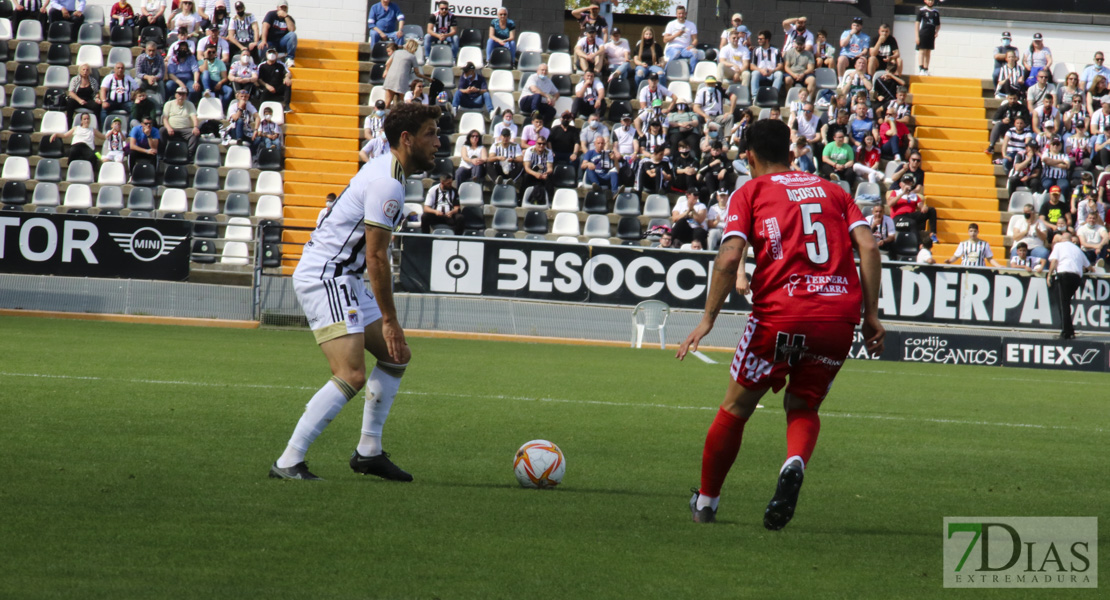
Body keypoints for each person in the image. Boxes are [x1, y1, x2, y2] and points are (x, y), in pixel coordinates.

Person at [678, 117, 884, 528]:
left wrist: (707, 319)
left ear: (749, 157)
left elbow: (730, 257)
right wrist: (871, 314)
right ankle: (793, 462)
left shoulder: (750, 191)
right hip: (837, 317)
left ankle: (707, 502)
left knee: (736, 407)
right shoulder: (833, 190)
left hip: (781, 316)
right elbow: (867, 244)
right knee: (804, 405)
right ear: (792, 154)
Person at [273, 102, 441, 481]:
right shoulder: (388, 183)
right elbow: (376, 255)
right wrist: (390, 320)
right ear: (406, 138)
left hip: (343, 276)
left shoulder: (390, 171)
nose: (437, 141)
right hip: (327, 276)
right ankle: (288, 461)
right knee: (351, 373)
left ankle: (369, 451)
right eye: (430, 133)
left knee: (396, 357)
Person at [1047, 232, 1090, 339]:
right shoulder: (1078, 249)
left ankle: (1066, 332)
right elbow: (1089, 266)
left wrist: (1049, 275)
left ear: (1062, 239)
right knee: (1065, 303)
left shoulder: (1059, 246)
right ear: (1071, 239)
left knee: (1063, 304)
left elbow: (1054, 261)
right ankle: (1070, 331)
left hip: (1064, 275)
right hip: (1076, 278)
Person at [888, 173, 937, 242]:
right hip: (898, 218)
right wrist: (903, 193)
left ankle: (933, 234)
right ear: (900, 184)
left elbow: (921, 205)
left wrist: (924, 207)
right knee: (912, 223)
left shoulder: (914, 196)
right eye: (905, 183)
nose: (907, 184)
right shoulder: (895, 193)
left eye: (909, 183)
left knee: (931, 210)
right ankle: (916, 243)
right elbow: (890, 204)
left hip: (910, 216)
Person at [382, 39, 427, 108]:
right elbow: (417, 72)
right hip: (401, 81)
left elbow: (387, 63)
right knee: (405, 104)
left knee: (386, 104)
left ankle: (383, 118)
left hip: (390, 79)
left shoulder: (397, 52)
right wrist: (427, 78)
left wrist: (386, 71)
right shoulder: (412, 57)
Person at [161, 86, 201, 158]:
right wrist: (169, 128)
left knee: (195, 134)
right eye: (179, 94)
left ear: (186, 96)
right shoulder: (168, 104)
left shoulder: (190, 104)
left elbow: (194, 117)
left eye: (183, 94)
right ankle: (162, 153)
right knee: (162, 131)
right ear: (176, 95)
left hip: (186, 129)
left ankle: (189, 155)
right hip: (171, 129)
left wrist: (195, 127)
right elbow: (165, 119)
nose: (181, 96)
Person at [100, 62, 140, 127]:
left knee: (135, 108)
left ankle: (129, 128)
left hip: (126, 102)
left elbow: (138, 90)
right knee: (104, 108)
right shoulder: (108, 78)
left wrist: (135, 98)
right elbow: (103, 90)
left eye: (122, 68)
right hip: (112, 101)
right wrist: (104, 101)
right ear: (114, 69)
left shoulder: (129, 78)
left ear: (124, 70)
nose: (120, 70)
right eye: (118, 68)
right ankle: (104, 128)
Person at [662, 5, 698, 70]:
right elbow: (665, 40)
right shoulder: (671, 24)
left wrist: (692, 46)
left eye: (682, 13)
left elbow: (695, 39)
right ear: (676, 14)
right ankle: (666, 71)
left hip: (684, 49)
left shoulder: (691, 25)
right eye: (679, 14)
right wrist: (676, 35)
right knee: (676, 53)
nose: (681, 15)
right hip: (672, 48)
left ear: (685, 14)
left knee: (694, 53)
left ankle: (691, 74)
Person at [749, 30, 783, 99]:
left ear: (767, 40)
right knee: (755, 73)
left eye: (761, 39)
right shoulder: (756, 50)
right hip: (760, 73)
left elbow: (780, 66)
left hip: (772, 73)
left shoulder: (776, 50)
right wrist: (761, 70)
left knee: (779, 74)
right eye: (758, 39)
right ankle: (755, 97)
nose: (758, 41)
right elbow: (752, 66)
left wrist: (772, 71)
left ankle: (773, 96)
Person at [520, 136, 554, 204]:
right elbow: (527, 168)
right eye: (539, 143)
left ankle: (550, 200)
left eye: (543, 144)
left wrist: (546, 173)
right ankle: (521, 198)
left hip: (543, 173)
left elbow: (550, 168)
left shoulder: (549, 152)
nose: (541, 145)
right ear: (536, 143)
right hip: (532, 173)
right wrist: (535, 174)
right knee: (526, 177)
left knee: (550, 178)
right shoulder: (529, 151)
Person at [915, 0, 940, 76]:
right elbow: (917, 24)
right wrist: (917, 36)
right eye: (929, 0)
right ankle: (921, 68)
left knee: (928, 52)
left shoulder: (936, 12)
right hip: (923, 34)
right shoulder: (921, 11)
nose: (930, 2)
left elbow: (938, 24)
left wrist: (936, 32)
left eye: (932, 0)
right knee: (922, 51)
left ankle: (926, 69)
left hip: (931, 34)